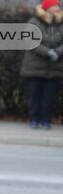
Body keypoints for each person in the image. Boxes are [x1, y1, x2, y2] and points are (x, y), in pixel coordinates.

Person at [20, 0, 63, 130]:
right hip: (35, 66)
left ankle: (46, 121)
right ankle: (34, 120)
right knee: (35, 96)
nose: (57, 7)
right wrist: (47, 52)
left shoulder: (61, 23)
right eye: (54, 5)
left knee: (48, 97)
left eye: (58, 5)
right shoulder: (34, 22)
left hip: (54, 67)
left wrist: (58, 52)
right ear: (47, 8)